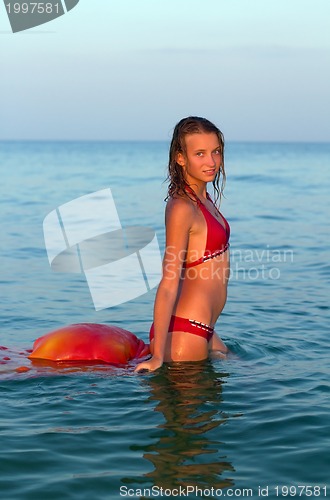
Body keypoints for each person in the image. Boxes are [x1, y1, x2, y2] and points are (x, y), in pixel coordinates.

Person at [135, 116, 230, 373]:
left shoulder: (204, 198)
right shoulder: (181, 207)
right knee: (186, 413)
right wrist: (156, 357)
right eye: (200, 154)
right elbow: (168, 283)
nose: (211, 162)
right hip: (186, 331)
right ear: (180, 158)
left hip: (204, 328)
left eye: (215, 152)